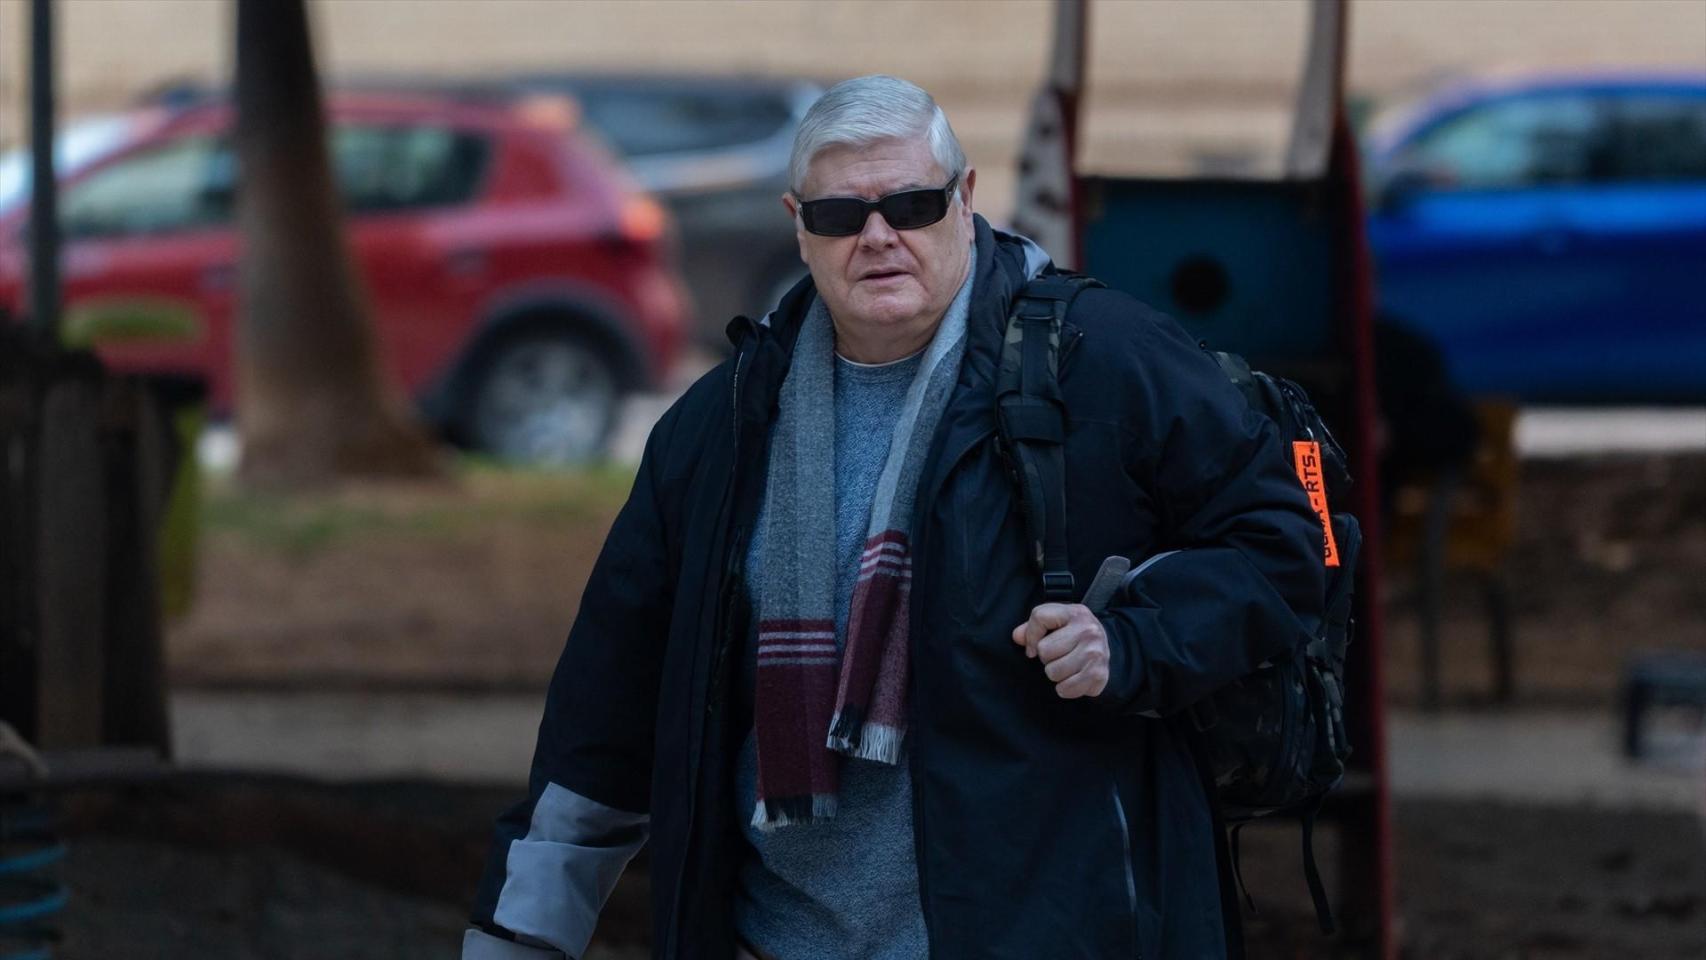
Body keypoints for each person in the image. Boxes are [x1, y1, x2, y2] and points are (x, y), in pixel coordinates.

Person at [464, 75, 1324, 960]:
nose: (878, 237)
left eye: (912, 205)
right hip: (776, 941)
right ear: (798, 225)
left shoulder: (1104, 364)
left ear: (966, 198)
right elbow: (609, 705)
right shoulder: (721, 426)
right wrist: (518, 939)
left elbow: (1290, 545)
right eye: (841, 215)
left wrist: (1132, 640)